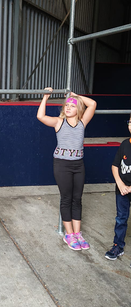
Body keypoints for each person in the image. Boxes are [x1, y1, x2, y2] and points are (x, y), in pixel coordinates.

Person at [37, 88, 97, 251]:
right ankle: (69, 234)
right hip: (62, 164)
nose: (68, 107)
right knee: (66, 198)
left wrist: (74, 96)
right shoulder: (59, 122)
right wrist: (45, 97)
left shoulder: (82, 122)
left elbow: (92, 104)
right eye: (66, 106)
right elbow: (40, 116)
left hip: (78, 164)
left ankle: (78, 233)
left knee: (77, 199)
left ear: (77, 109)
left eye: (72, 106)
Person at [105, 115, 131, 261]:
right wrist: (120, 184)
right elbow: (115, 166)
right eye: (130, 122)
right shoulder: (124, 144)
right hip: (121, 190)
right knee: (121, 218)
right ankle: (117, 246)